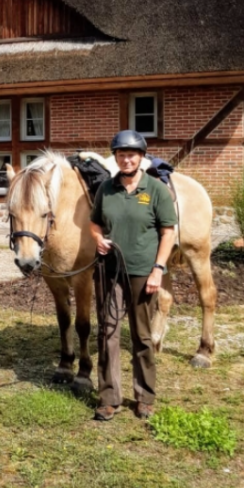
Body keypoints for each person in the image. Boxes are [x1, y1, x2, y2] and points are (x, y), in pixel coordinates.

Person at [90, 130, 177, 421]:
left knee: (141, 336)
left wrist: (158, 270)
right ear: (115, 158)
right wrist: (98, 239)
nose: (126, 159)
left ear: (141, 158)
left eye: (132, 155)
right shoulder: (106, 189)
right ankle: (108, 397)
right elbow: (94, 223)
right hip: (109, 271)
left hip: (142, 272)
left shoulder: (156, 190)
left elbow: (167, 233)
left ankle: (145, 396)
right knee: (107, 333)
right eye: (121, 154)